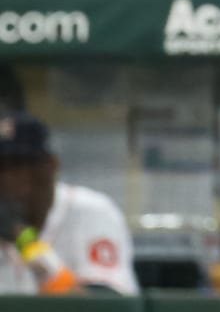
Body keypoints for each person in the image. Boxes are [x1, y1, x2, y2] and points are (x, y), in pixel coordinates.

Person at [0, 112, 137, 296]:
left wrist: (26, 243)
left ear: (50, 165)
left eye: (15, 167)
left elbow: (105, 308)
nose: (4, 179)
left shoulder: (91, 212)